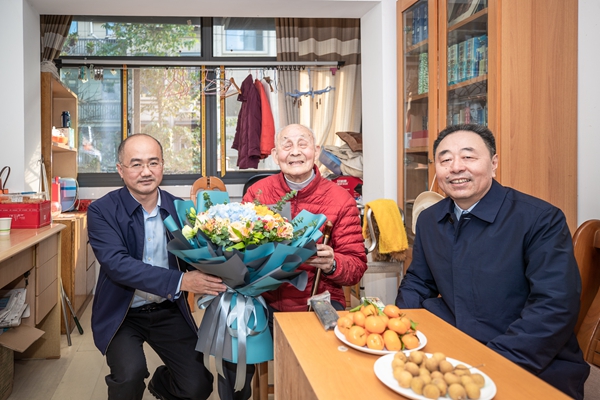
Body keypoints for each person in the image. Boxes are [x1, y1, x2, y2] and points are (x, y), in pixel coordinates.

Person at [395, 124, 590, 399]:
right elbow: (418, 281)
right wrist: (401, 327)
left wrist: (491, 362)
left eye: (468, 156)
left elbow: (554, 305)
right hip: (453, 346)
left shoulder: (540, 219)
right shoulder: (429, 219)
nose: (456, 167)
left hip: (529, 360)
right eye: (445, 159)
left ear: (494, 163)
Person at [227, 123, 368, 399]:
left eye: (303, 144)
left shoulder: (340, 199)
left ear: (316, 150)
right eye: (287, 145)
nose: (295, 152)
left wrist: (333, 263)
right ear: (275, 154)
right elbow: (236, 252)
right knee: (231, 343)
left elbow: (356, 267)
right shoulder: (257, 194)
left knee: (327, 367)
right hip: (263, 300)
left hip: (317, 299)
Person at [87, 134, 227, 400]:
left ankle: (161, 383)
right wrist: (182, 281)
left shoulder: (181, 209)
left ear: (163, 165)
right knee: (129, 375)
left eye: (153, 163)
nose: (146, 172)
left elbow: (198, 256)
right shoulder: (101, 211)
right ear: (120, 169)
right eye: (136, 164)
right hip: (122, 313)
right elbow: (118, 265)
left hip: (168, 308)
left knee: (198, 386)